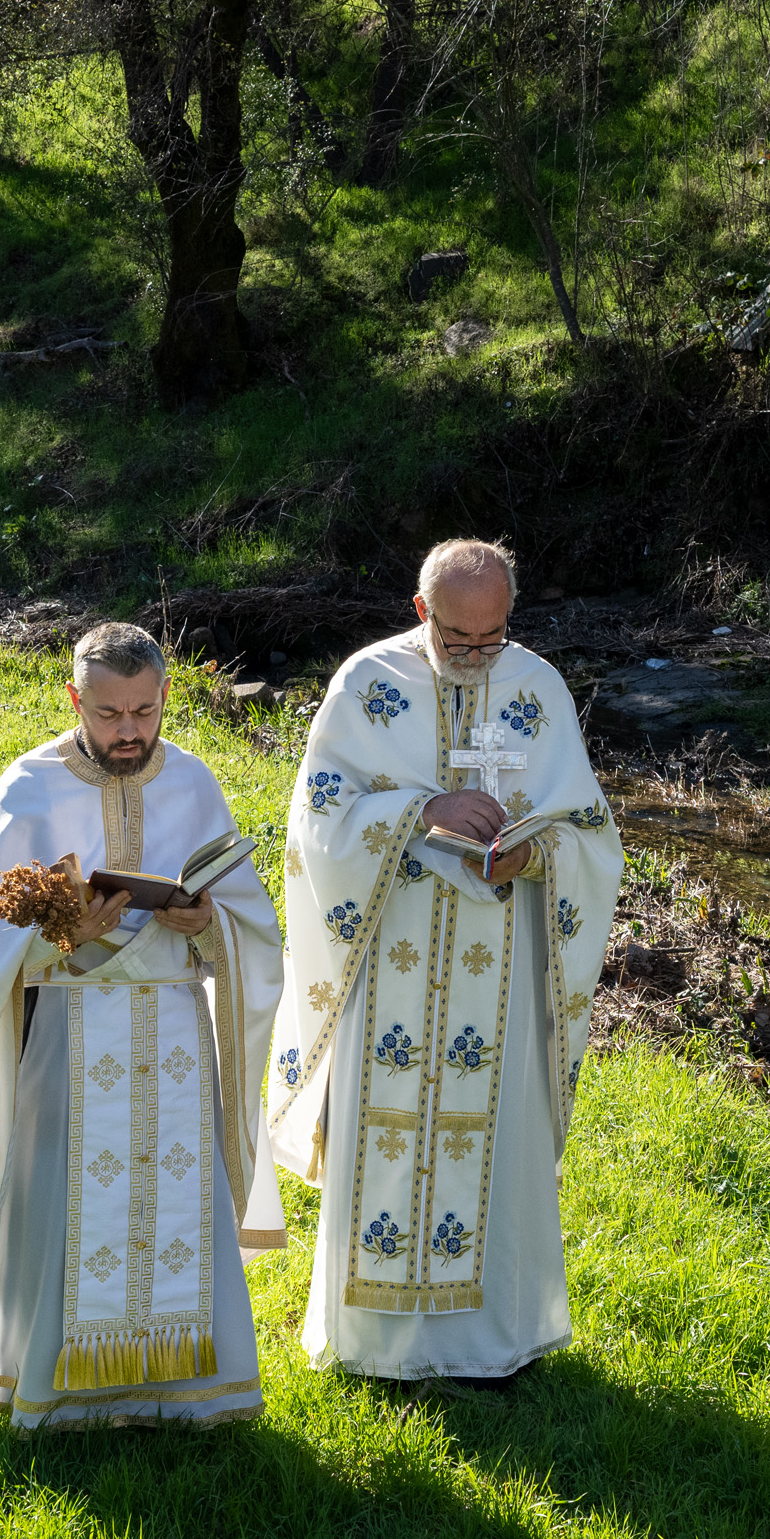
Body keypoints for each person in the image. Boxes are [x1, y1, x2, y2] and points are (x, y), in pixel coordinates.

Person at [266, 540, 623, 1382]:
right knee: (383, 1150)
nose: (473, 657)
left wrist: (532, 856)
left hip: (500, 963)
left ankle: (497, 1342)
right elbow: (318, 818)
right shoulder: (367, 685)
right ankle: (375, 1346)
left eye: (490, 638)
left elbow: (590, 833)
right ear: (423, 612)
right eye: (456, 638)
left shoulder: (536, 687)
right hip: (389, 956)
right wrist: (424, 807)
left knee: (495, 1153)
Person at [0, 622, 285, 1428]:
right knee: (64, 1196)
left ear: (165, 698)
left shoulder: (193, 783)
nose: (128, 732)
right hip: (68, 1033)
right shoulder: (28, 787)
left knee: (178, 1198)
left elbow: (251, 924)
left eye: (145, 712)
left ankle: (187, 1391)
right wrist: (64, 934)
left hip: (173, 1033)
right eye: (108, 714)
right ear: (73, 700)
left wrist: (206, 926)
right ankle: (60, 1394)